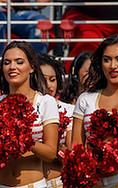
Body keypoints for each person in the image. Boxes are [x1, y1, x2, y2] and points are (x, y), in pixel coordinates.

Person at [71, 35, 118, 187]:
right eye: (107, 60)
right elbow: (76, 149)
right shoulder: (85, 99)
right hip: (94, 182)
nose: (113, 66)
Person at [0, 41, 58, 187]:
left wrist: (24, 139)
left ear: (31, 67)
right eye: (7, 62)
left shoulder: (45, 102)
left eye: (19, 62)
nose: (12, 67)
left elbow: (50, 154)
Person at [37, 53, 74, 187]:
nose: (49, 85)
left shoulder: (69, 110)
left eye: (52, 79)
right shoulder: (24, 109)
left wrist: (52, 148)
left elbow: (71, 153)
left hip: (59, 182)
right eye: (43, 79)